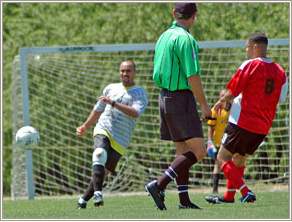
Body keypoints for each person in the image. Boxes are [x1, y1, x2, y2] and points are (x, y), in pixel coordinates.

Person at [205, 32, 288, 204]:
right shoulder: (281, 71)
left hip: (242, 122)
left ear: (255, 48)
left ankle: (245, 191)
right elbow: (281, 98)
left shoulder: (250, 65)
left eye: (248, 46)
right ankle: (228, 197)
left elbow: (233, 91)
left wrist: (220, 101)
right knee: (239, 159)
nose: (246, 50)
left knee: (222, 157)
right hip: (263, 126)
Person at [145, 3, 212, 210]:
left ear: (174, 14)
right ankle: (159, 184)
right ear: (195, 16)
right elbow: (192, 75)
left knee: (183, 151)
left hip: (164, 97)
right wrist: (204, 105)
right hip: (181, 98)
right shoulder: (186, 38)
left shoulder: (163, 36)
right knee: (199, 151)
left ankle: (183, 201)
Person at [76, 60, 148, 209]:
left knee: (102, 174)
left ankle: (82, 201)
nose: (125, 74)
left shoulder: (140, 92)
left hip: (121, 139)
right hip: (104, 128)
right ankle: (98, 193)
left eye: (128, 71)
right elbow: (98, 109)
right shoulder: (110, 88)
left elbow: (135, 113)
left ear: (135, 72)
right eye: (122, 71)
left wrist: (113, 103)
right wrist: (85, 126)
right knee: (99, 153)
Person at [207, 89, 231, 194]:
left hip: (231, 141)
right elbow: (210, 127)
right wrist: (209, 141)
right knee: (217, 164)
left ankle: (232, 188)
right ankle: (215, 189)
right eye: (221, 95)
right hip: (218, 142)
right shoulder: (215, 110)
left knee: (233, 163)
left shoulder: (233, 109)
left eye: (225, 95)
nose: (223, 97)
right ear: (219, 97)